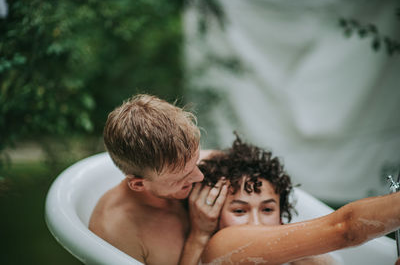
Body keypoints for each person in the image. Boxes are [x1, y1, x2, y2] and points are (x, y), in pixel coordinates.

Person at [197, 134, 400, 265]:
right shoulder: (221, 248)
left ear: (281, 214)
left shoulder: (308, 257)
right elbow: (345, 229)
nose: (256, 223)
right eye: (240, 211)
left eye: (267, 210)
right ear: (214, 213)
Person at [89, 94, 228, 265]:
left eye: (195, 162)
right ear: (138, 184)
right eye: (182, 177)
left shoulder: (178, 164)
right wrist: (199, 236)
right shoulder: (116, 233)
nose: (200, 176)